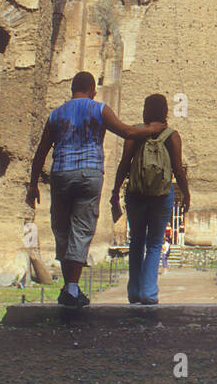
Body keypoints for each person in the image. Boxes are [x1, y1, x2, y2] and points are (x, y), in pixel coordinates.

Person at [29, 72, 163, 307]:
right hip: (88, 173)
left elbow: (41, 151)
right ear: (92, 89)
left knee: (62, 228)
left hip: (60, 174)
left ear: (72, 89)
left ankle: (69, 287)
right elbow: (127, 132)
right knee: (81, 228)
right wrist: (153, 129)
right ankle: (71, 288)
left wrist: (32, 185)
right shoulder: (98, 109)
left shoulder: (56, 114)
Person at [112, 93, 189, 305]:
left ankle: (134, 293)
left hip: (136, 194)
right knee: (155, 244)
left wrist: (115, 191)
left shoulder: (135, 133)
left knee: (136, 241)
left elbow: (124, 164)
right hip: (162, 195)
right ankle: (149, 293)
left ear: (145, 111)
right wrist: (186, 193)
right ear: (165, 112)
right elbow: (178, 170)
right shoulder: (172, 135)